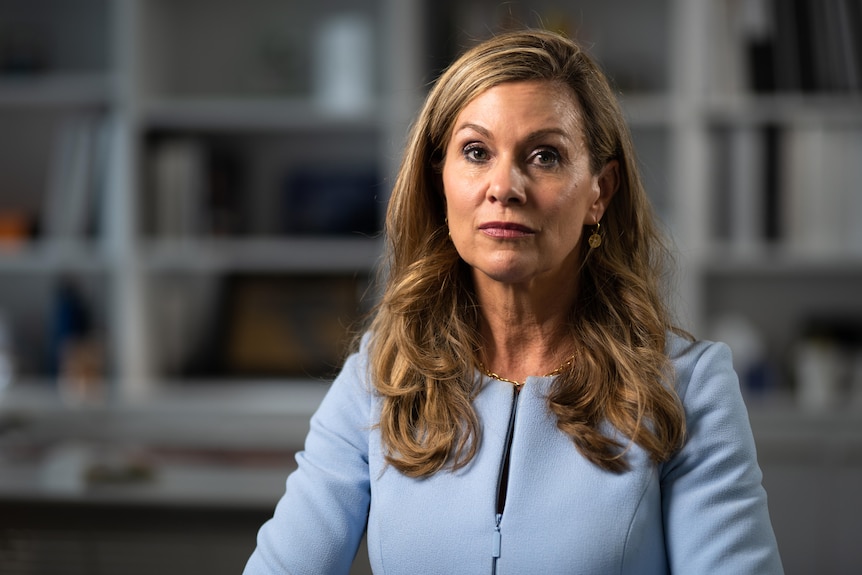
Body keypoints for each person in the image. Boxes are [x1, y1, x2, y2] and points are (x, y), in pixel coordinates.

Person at [244, 29, 784, 574]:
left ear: (601, 190)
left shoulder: (688, 389)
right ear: (440, 182)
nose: (504, 186)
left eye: (545, 156)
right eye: (476, 152)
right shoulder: (378, 379)